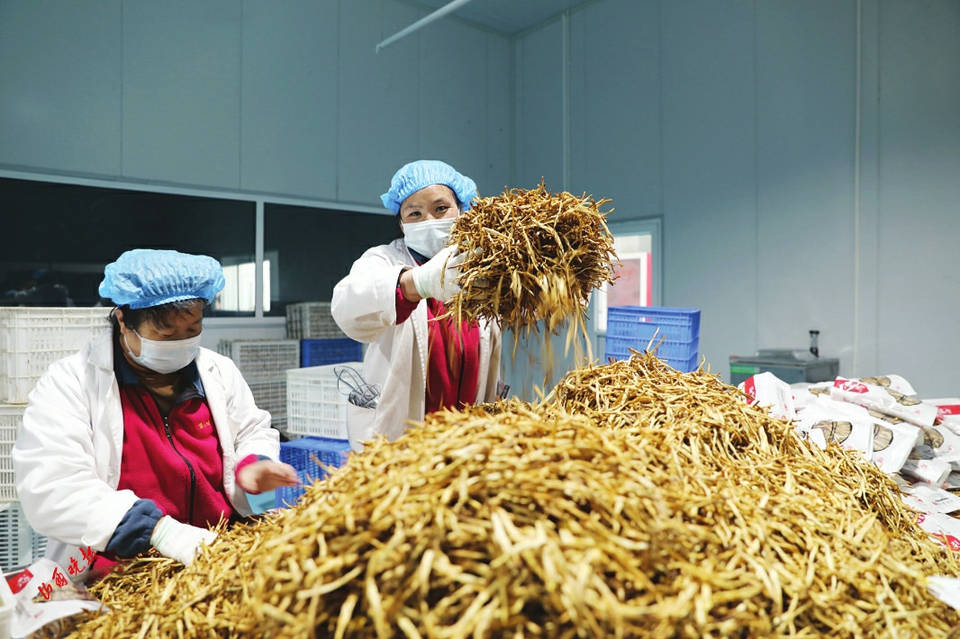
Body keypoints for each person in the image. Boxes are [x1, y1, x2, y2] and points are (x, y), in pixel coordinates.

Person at [13, 249, 299, 580]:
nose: (182, 342)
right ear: (123, 320)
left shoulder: (217, 371)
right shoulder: (73, 383)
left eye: (193, 328)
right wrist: (162, 533)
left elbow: (251, 429)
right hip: (127, 568)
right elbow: (53, 486)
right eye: (166, 334)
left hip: (221, 552)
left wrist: (253, 465)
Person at [331, 160, 502, 448]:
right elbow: (346, 307)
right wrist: (416, 283)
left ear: (462, 209)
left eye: (440, 208)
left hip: (469, 435)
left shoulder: (483, 265)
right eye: (414, 213)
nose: (429, 222)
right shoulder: (383, 260)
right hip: (402, 434)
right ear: (401, 223)